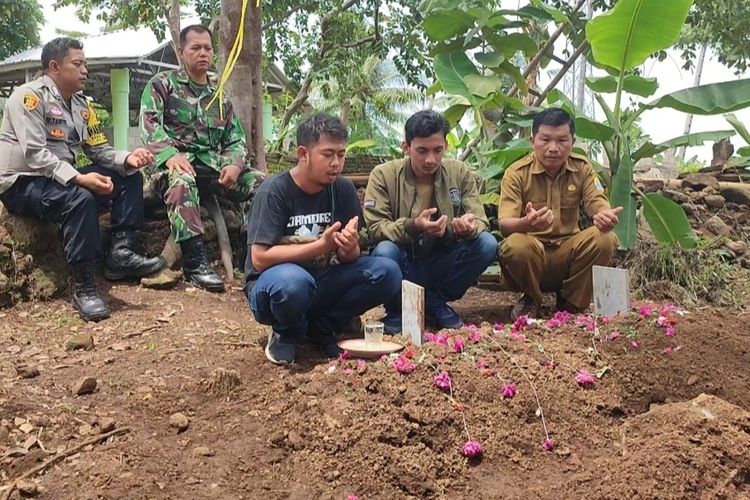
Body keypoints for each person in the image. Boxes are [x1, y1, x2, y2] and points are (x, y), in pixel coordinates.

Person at [0, 37, 165, 322]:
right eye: (78, 64)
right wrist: (80, 179)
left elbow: (98, 149)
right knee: (80, 198)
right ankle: (85, 286)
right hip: (22, 182)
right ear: (54, 66)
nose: (85, 70)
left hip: (60, 177)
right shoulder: (28, 97)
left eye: (85, 64)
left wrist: (127, 159)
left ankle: (121, 254)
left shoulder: (81, 105)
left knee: (128, 177)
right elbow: (35, 155)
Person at [244, 114, 402, 365]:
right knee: (294, 282)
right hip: (273, 287)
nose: (336, 163)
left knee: (387, 271)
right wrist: (320, 245)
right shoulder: (274, 192)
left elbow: (348, 258)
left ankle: (323, 326)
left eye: (341, 154)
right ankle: (285, 331)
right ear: (303, 153)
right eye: (327, 154)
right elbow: (260, 258)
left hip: (321, 280)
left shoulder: (343, 189)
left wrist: (349, 246)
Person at [140, 24, 264, 293]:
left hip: (213, 170)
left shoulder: (219, 98)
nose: (203, 53)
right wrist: (169, 155)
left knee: (261, 184)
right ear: (182, 52)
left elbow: (236, 139)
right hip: (172, 170)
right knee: (182, 177)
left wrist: (234, 163)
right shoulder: (163, 85)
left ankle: (250, 255)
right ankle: (196, 264)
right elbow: (149, 124)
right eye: (196, 47)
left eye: (207, 48)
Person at [363, 110, 497, 332]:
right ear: (405, 147)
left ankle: (433, 299)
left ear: (446, 144)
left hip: (441, 260)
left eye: (438, 150)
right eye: (422, 151)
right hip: (403, 262)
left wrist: (468, 227)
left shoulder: (459, 172)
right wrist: (414, 226)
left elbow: (481, 220)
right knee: (385, 250)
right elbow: (376, 229)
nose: (430, 159)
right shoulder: (383, 175)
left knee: (487, 243)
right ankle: (399, 308)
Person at [498, 107, 621, 320]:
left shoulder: (582, 168)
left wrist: (604, 216)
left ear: (572, 142)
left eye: (562, 141)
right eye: (545, 140)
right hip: (532, 255)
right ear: (532, 140)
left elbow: (597, 202)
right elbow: (504, 225)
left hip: (568, 253)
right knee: (516, 245)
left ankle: (572, 303)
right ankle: (531, 298)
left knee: (605, 239)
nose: (553, 148)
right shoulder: (516, 173)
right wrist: (526, 223)